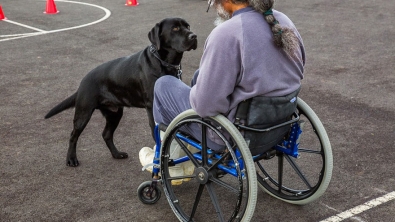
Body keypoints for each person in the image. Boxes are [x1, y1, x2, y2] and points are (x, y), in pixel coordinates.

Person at [139, 0, 305, 182]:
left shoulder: (227, 33)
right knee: (200, 75)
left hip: (235, 132)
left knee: (164, 85)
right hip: (279, 123)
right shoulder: (282, 20)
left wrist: (195, 94)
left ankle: (174, 162)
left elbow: (205, 107)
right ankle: (188, 149)